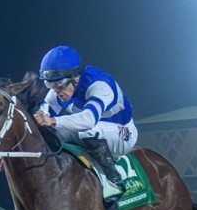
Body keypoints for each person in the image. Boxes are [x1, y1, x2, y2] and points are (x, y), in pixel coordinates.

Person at [34, 45, 137, 200]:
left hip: (122, 133)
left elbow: (88, 120)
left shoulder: (100, 85)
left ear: (75, 78)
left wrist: (54, 120)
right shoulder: (61, 88)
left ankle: (113, 180)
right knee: (51, 134)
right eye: (50, 85)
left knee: (86, 131)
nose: (56, 91)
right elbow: (43, 114)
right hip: (93, 130)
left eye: (59, 85)